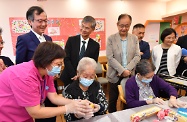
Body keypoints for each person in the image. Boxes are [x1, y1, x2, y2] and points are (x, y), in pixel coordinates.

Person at [0, 42, 93, 122]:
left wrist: (77, 103)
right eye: (58, 64)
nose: (60, 68)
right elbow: (35, 112)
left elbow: (54, 97)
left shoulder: (46, 73)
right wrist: (67, 108)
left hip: (24, 115)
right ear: (45, 61)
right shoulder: (25, 76)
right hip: (7, 116)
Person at [15, 6, 56, 122]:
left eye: (45, 20)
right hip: (34, 86)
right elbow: (20, 66)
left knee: (52, 112)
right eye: (39, 21)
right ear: (30, 21)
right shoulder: (24, 39)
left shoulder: (48, 39)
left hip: (49, 83)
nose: (43, 24)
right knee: (41, 116)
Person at [106, 14, 140, 113]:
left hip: (129, 75)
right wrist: (122, 70)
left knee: (128, 100)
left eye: (127, 25)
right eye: (121, 25)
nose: (124, 28)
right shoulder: (111, 38)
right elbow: (110, 57)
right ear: (117, 24)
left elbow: (137, 56)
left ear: (130, 25)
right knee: (112, 100)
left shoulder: (134, 38)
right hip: (114, 75)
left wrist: (127, 70)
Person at [63, 57, 108, 121]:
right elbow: (67, 116)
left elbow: (105, 104)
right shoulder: (69, 90)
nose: (88, 79)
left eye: (92, 76)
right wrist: (77, 115)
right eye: (85, 76)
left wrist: (99, 107)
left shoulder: (96, 85)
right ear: (78, 73)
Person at [60, 16, 100, 87]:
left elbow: (93, 63)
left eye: (87, 28)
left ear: (92, 29)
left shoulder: (95, 45)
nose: (83, 29)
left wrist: (81, 76)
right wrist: (74, 75)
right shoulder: (71, 40)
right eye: (82, 26)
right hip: (69, 76)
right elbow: (66, 59)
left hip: (85, 79)